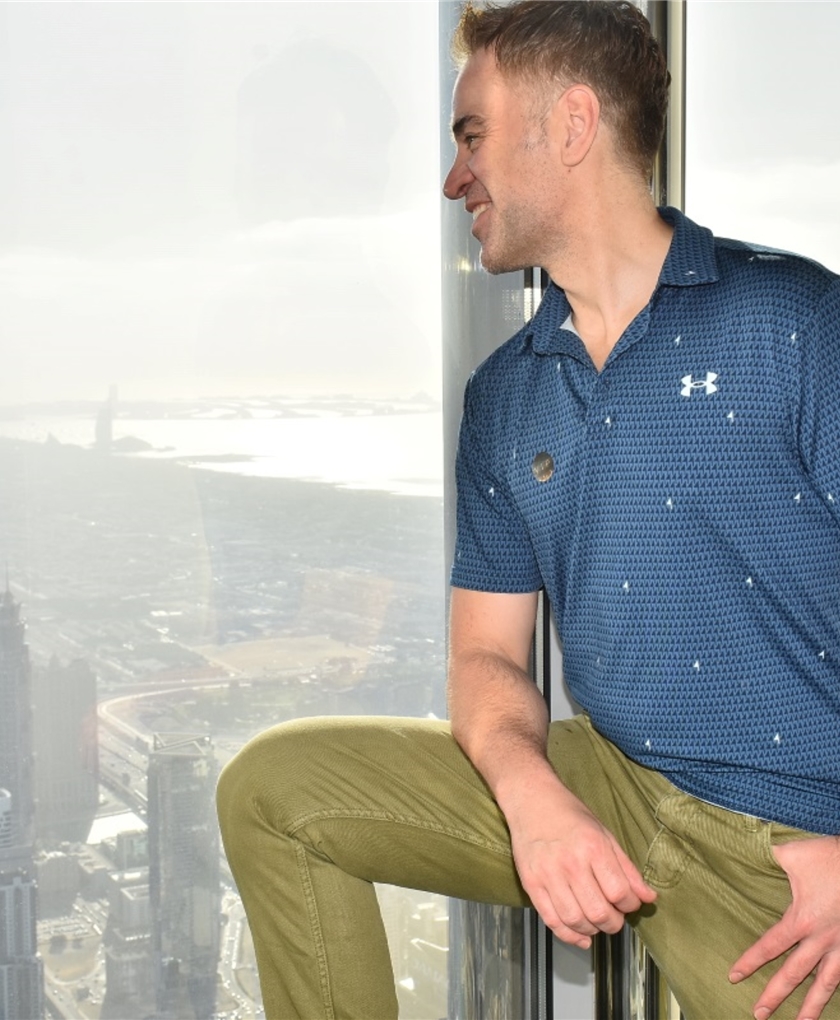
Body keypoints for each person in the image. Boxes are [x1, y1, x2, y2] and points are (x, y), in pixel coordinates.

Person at [216, 2, 840, 1017]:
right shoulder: (506, 395)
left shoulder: (797, 322)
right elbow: (486, 658)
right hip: (612, 781)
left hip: (794, 843)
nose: (454, 177)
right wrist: (531, 795)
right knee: (274, 790)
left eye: (473, 136)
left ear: (573, 124)